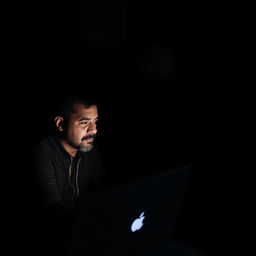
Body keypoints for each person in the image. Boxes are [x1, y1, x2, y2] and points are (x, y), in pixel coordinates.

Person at [31, 93, 106, 254]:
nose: (94, 130)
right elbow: (52, 208)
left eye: (95, 121)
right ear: (60, 123)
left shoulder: (88, 149)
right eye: (85, 122)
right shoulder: (42, 154)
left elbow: (106, 189)